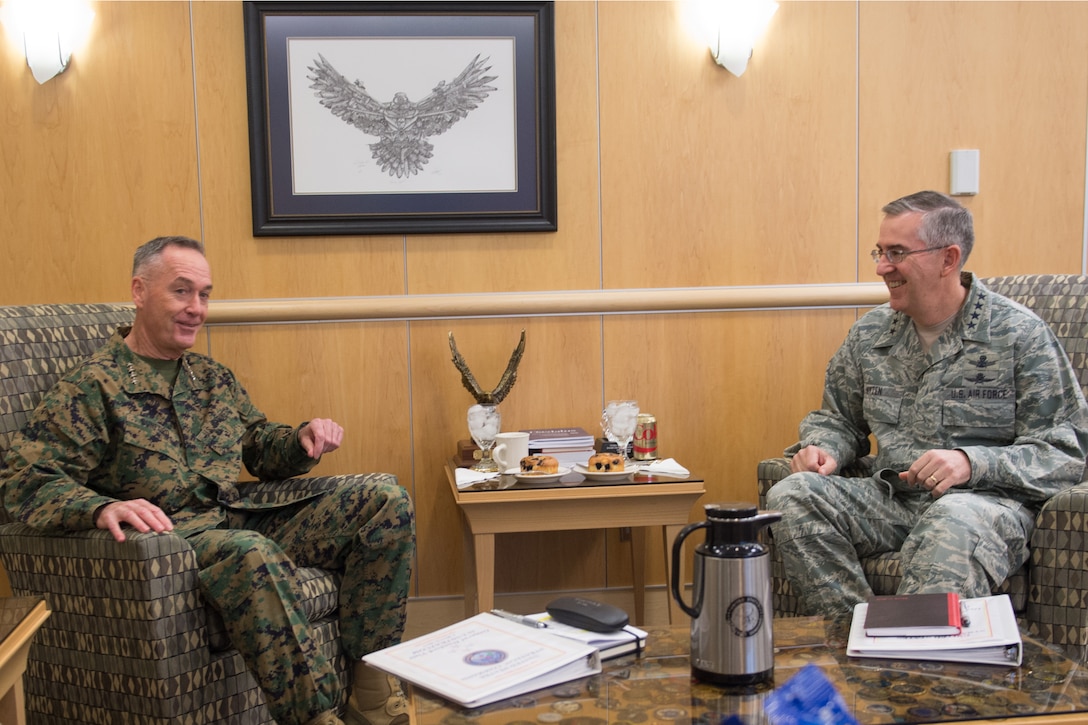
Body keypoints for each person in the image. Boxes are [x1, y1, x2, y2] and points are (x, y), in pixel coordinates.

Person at [1, 236, 415, 725]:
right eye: (182, 292)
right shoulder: (93, 387)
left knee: (384, 501)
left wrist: (301, 437)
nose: (196, 308)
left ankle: (370, 684)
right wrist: (97, 508)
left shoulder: (210, 378)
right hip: (169, 544)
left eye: (204, 294)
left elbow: (257, 445)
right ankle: (318, 716)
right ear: (139, 290)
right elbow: (24, 479)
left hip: (234, 517)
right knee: (250, 552)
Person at [766, 191, 1088, 617]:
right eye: (880, 252)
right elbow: (838, 419)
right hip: (894, 500)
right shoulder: (870, 335)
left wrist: (971, 462)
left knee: (950, 521)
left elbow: (1065, 454)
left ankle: (921, 673)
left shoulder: (1020, 337)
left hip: (983, 506)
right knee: (792, 493)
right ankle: (852, 641)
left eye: (897, 253)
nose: (882, 267)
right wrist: (824, 449)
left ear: (948, 258)